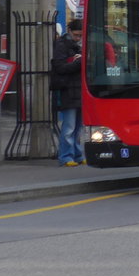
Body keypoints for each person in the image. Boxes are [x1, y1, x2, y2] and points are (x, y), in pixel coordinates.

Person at [51, 18, 85, 166]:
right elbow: (59, 67)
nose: (78, 38)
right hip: (68, 89)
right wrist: (77, 62)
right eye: (77, 35)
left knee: (78, 126)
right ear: (70, 31)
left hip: (79, 89)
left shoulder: (81, 44)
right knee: (69, 126)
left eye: (80, 35)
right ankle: (66, 156)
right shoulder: (61, 44)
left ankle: (77, 154)